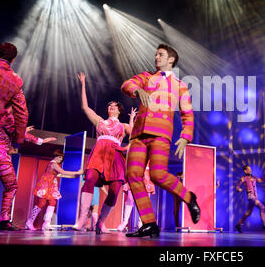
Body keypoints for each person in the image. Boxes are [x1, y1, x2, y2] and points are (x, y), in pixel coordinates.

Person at [121, 43, 200, 238]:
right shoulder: (146, 76)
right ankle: (149, 224)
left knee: (158, 175)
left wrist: (185, 137)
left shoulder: (181, 86)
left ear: (171, 59)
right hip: (139, 134)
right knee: (133, 175)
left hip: (161, 134)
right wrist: (137, 91)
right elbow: (126, 84)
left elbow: (188, 115)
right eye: (156, 55)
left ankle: (189, 197)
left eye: (161, 55)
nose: (156, 57)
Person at [73, 72, 136, 234]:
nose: (111, 106)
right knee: (90, 180)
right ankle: (81, 218)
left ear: (119, 110)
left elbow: (136, 138)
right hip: (99, 155)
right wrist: (83, 84)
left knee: (115, 190)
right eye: (109, 105)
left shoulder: (123, 126)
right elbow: (85, 107)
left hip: (115, 157)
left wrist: (123, 148)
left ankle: (100, 222)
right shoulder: (99, 121)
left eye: (114, 105)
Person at [0, 106, 55, 231]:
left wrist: (23, 130)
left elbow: (9, 132)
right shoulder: (6, 116)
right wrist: (41, 140)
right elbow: (19, 133)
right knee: (11, 187)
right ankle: (5, 221)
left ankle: (5, 221)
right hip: (1, 157)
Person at [25, 150, 83, 231]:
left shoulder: (55, 165)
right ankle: (29, 221)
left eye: (61, 158)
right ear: (55, 156)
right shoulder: (53, 164)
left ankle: (46, 223)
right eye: (59, 157)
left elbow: (62, 174)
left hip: (51, 185)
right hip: (45, 184)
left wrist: (75, 175)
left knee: (53, 202)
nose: (60, 159)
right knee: (42, 203)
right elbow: (63, 172)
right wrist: (77, 172)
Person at [234, 165, 265, 233]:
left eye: (250, 169)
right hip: (251, 196)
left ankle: (238, 224)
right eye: (248, 169)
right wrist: (238, 189)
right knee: (262, 207)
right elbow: (237, 185)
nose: (250, 170)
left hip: (255, 196)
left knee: (248, 213)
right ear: (245, 171)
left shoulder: (254, 177)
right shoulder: (244, 178)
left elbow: (261, 180)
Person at [117, 166, 155, 232]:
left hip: (146, 177)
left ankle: (141, 223)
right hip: (134, 176)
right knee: (130, 198)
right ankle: (125, 221)